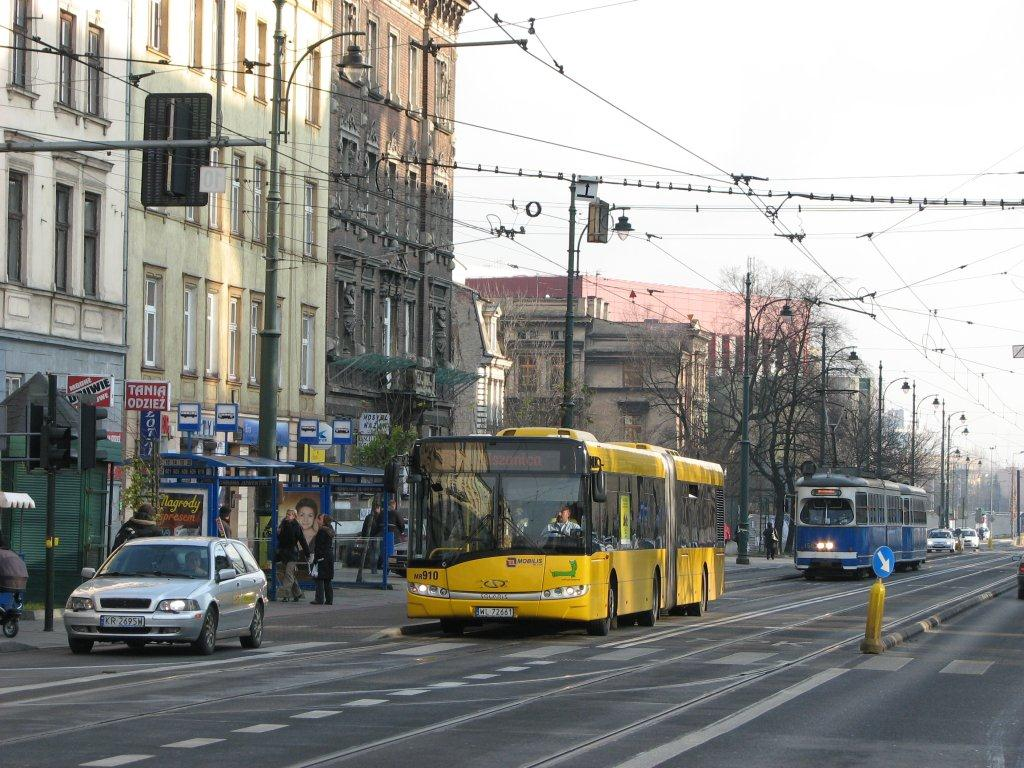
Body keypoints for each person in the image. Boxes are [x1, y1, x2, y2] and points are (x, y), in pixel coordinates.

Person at [275, 509, 311, 602]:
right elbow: (280, 539)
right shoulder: (282, 524)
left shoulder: (296, 526)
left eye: (290, 514)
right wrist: (278, 533)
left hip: (292, 553)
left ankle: (286, 595)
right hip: (284, 553)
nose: (287, 516)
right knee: (290, 574)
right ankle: (298, 593)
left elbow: (302, 540)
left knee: (288, 573)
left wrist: (307, 553)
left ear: (294, 516)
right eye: (287, 514)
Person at [310, 514, 335, 605]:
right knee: (327, 579)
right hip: (329, 556)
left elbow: (319, 546)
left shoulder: (322, 531)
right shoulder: (330, 530)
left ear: (323, 521)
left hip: (322, 557)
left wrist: (316, 559)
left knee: (319, 578)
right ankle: (329, 600)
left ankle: (319, 599)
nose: (317, 521)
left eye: (319, 519)